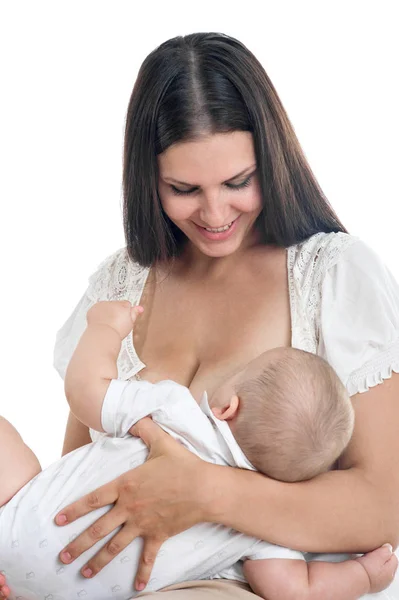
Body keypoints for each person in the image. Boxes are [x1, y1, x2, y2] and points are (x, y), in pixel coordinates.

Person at [2, 31, 399, 600]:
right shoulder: (122, 283)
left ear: (272, 159)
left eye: (238, 181)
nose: (215, 214)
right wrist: (34, 560)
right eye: (184, 189)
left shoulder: (333, 274)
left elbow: (383, 506)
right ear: (149, 178)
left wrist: (204, 492)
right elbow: (78, 467)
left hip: (230, 582)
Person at [0, 300, 395, 600]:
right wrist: (363, 577)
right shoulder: (265, 526)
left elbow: (85, 392)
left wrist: (104, 327)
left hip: (15, 521)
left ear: (228, 406)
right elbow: (294, 589)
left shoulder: (175, 412)